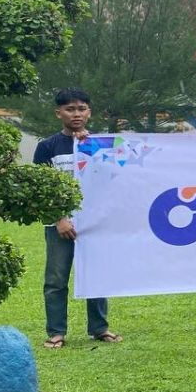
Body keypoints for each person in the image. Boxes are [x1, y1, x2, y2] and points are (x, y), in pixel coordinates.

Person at [34, 88, 122, 349]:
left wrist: (90, 147)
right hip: (60, 225)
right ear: (58, 112)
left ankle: (100, 328)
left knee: (96, 275)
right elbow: (42, 188)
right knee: (56, 279)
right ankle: (57, 332)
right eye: (70, 109)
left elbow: (112, 179)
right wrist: (59, 218)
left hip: (93, 223)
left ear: (89, 112)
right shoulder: (47, 147)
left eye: (82, 109)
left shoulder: (100, 144)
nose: (76, 114)